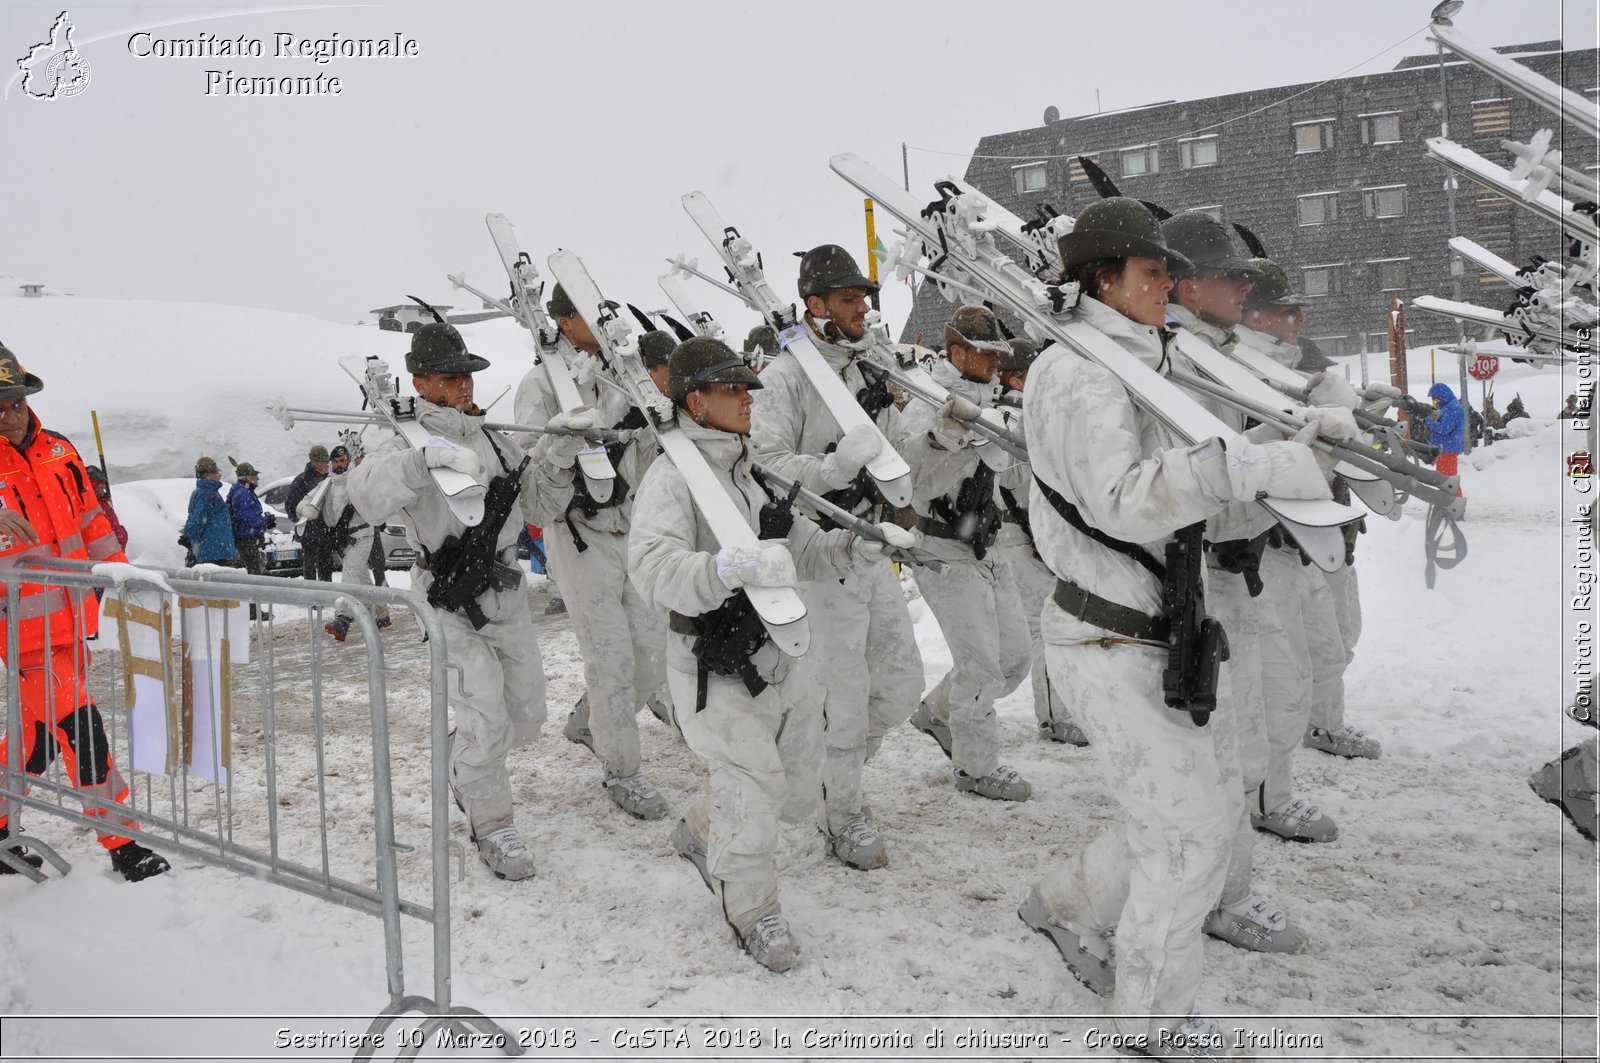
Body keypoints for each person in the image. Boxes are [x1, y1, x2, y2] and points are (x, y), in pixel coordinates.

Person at [1015, 199, 1333, 1057]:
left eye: (1167, 273)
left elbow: (1195, 511)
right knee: (1188, 830)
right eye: (1151, 273)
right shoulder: (1079, 372)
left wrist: (1294, 470)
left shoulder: (1143, 359)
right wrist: (1244, 463)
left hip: (1161, 627)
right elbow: (1122, 501)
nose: (1170, 286)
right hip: (1106, 634)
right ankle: (1155, 1020)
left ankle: (1067, 903)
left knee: (1194, 812)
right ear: (1100, 280)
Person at [629, 336, 914, 970]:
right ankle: (752, 912)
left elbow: (807, 546)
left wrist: (856, 551)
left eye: (746, 387)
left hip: (778, 650)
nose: (746, 398)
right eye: (732, 390)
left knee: (789, 788)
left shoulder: (754, 467)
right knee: (754, 790)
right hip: (711, 659)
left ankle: (704, 826)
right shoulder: (672, 477)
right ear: (695, 401)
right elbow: (650, 569)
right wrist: (719, 570)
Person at [349, 322, 576, 879]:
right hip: (445, 595)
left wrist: (560, 454)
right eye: (451, 378)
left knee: (525, 717)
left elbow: (541, 507)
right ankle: (493, 823)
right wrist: (418, 463)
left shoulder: (495, 439)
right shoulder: (399, 436)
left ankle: (465, 756)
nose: (464, 387)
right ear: (420, 381)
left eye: (468, 376)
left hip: (504, 586)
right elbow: (366, 495)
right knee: (484, 714)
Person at [748, 243, 923, 869]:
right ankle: (841, 810)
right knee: (843, 696)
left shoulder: (863, 370)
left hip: (872, 545)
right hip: (818, 553)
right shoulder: (783, 378)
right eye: (849, 299)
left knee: (902, 684)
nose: (863, 309)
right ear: (814, 305)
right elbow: (763, 466)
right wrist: (833, 466)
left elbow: (899, 451)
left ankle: (823, 774)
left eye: (865, 299)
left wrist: (924, 436)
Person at [0, 341, 169, 882]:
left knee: (37, 739)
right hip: (19, 633)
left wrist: (121, 573)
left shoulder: (59, 450)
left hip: (72, 623)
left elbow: (91, 521)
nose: (6, 415)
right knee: (81, 728)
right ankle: (122, 842)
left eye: (13, 402)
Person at [516, 295, 673, 821]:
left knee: (651, 658)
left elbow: (656, 454)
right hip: (581, 534)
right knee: (611, 658)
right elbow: (533, 489)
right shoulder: (539, 387)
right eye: (588, 313)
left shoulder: (629, 377)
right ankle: (622, 769)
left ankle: (589, 721)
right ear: (563, 322)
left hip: (634, 530)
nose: (607, 326)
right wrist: (570, 441)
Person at [1235, 257, 1380, 767]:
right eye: (1287, 310)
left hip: (1322, 530)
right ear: (1255, 317)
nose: (1298, 319)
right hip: (1270, 540)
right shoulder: (1238, 370)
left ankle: (1322, 724)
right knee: (1283, 664)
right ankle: (1267, 769)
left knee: (1333, 643)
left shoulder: (1297, 366)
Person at [900, 306, 1033, 801]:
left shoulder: (995, 400)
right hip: (941, 544)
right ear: (958, 353)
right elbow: (907, 483)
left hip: (987, 541)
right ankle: (975, 768)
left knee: (1016, 658)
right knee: (980, 665)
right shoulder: (924, 401)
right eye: (988, 353)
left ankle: (937, 712)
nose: (998, 363)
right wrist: (950, 438)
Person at [990, 338, 1087, 746]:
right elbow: (1016, 483)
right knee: (1043, 627)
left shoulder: (1026, 416)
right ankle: (1054, 717)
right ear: (1017, 379)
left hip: (1029, 533)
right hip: (1016, 535)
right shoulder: (1010, 421)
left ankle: (1061, 711)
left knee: (1046, 626)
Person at [316, 445, 391, 641]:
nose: (341, 465)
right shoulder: (327, 484)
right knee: (360, 577)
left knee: (350, 573)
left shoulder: (357, 480)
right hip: (341, 539)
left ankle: (342, 618)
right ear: (331, 462)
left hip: (362, 535)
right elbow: (310, 501)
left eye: (344, 461)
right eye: (337, 461)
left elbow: (371, 498)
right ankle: (382, 613)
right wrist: (306, 509)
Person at [285, 444, 334, 581]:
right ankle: (312, 600)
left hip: (327, 534)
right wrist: (302, 516)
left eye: (327, 462)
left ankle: (326, 597)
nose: (326, 465)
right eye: (324, 462)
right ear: (314, 463)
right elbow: (290, 506)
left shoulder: (331, 479)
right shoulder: (301, 480)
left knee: (326, 571)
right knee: (310, 570)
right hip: (310, 535)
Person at [183, 457, 238, 566]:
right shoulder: (206, 493)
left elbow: (195, 518)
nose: (219, 475)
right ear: (207, 475)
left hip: (214, 550)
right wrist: (189, 536)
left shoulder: (206, 492)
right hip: (213, 551)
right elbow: (197, 519)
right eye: (216, 472)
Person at [226, 462, 271, 577]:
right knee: (254, 574)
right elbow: (249, 518)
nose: (258, 478)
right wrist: (265, 521)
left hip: (244, 539)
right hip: (246, 540)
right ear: (247, 477)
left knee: (253, 572)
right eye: (254, 475)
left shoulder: (240, 491)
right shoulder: (244, 493)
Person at [85, 465, 128, 552]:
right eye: (101, 484)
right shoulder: (92, 505)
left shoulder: (103, 502)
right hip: (107, 555)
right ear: (94, 484)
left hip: (115, 552)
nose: (104, 488)